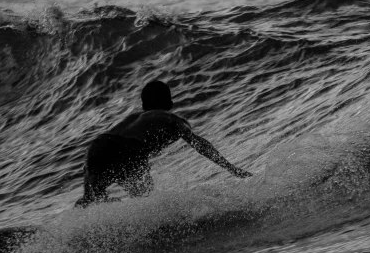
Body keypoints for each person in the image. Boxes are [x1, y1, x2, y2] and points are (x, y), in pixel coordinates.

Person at [75, 79, 251, 207]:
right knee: (144, 196)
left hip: (95, 147)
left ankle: (77, 236)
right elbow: (199, 144)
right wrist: (231, 168)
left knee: (91, 200)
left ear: (143, 106)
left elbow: (108, 144)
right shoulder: (172, 119)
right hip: (127, 148)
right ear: (170, 103)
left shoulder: (133, 118)